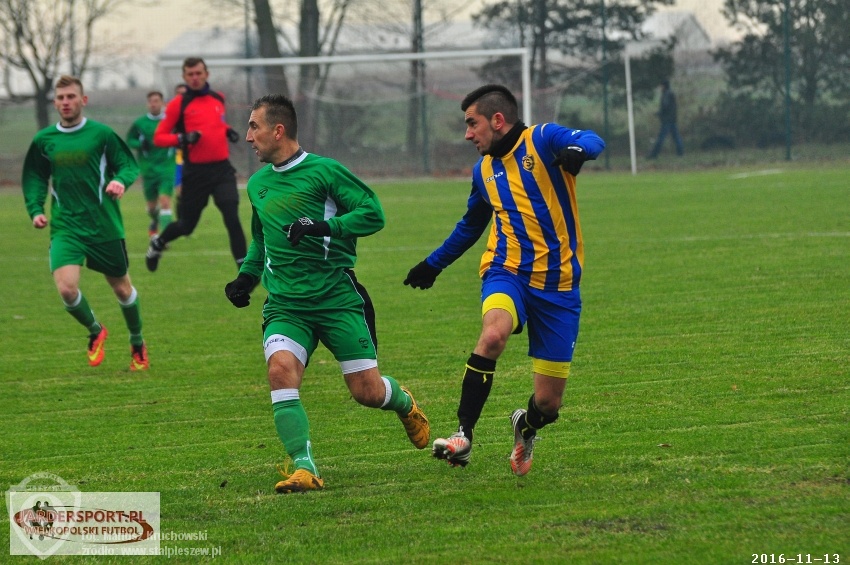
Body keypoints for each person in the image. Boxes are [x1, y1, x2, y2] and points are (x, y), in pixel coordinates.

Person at [224, 93, 430, 493]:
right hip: (286, 305)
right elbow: (261, 240)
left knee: (367, 392)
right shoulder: (258, 184)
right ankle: (304, 467)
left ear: (278, 130)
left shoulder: (326, 172)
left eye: (254, 127)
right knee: (280, 371)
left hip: (337, 299)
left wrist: (323, 227)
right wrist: (245, 278)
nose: (248, 137)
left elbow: (373, 214)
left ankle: (404, 403)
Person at [403, 84, 605, 476]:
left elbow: (592, 139)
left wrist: (577, 151)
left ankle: (525, 427)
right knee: (493, 334)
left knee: (548, 404)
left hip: (559, 286)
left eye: (472, 123)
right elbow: (471, 225)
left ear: (497, 120)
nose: (467, 134)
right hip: (506, 271)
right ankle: (463, 436)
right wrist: (433, 264)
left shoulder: (541, 139)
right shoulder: (483, 171)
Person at [22, 75, 149, 371]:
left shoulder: (101, 135)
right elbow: (35, 177)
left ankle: (137, 342)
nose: (65, 102)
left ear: (83, 100)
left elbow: (128, 165)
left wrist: (120, 181)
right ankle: (95, 330)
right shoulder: (44, 140)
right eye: (60, 98)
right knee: (66, 290)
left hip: (104, 225)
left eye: (71, 96)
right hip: (66, 226)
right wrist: (35, 209)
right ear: (55, 102)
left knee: (122, 289)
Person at [146, 57, 247, 271]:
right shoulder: (178, 104)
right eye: (190, 74)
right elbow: (159, 137)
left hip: (222, 169)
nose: (195, 78)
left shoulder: (218, 98)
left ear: (206, 74)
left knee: (232, 216)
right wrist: (183, 138)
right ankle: (158, 243)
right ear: (184, 77)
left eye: (198, 73)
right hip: (195, 173)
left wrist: (227, 130)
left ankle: (245, 271)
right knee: (186, 226)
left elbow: (216, 123)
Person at [126, 91, 176, 237]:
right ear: (147, 104)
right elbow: (130, 140)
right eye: (151, 101)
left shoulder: (170, 121)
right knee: (151, 207)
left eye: (156, 101)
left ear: (162, 103)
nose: (153, 104)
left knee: (165, 201)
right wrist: (140, 144)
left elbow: (180, 135)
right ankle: (155, 221)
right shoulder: (140, 123)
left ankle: (164, 237)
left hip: (167, 167)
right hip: (148, 169)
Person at [647, 79, 684, 159]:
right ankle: (680, 153)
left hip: (667, 120)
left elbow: (665, 106)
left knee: (661, 137)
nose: (660, 87)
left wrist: (659, 113)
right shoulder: (671, 93)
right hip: (672, 119)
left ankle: (654, 154)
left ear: (664, 86)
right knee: (676, 137)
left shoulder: (666, 94)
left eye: (661, 86)